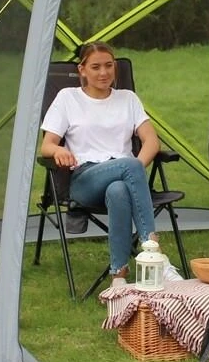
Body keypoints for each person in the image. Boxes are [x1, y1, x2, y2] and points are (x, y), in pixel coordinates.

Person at [40, 42, 178, 287]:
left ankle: (118, 276)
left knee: (119, 190)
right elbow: (46, 146)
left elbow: (151, 141)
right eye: (95, 67)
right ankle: (155, 252)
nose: (103, 73)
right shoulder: (68, 98)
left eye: (108, 65)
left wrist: (134, 170)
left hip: (123, 175)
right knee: (130, 166)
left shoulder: (128, 98)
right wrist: (59, 149)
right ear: (82, 70)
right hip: (85, 179)